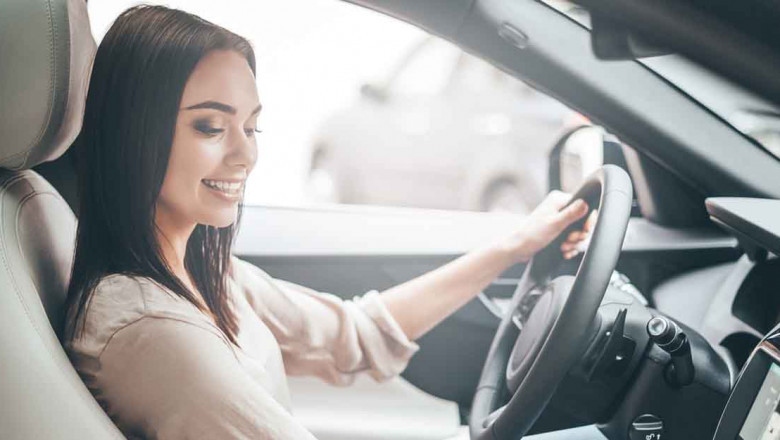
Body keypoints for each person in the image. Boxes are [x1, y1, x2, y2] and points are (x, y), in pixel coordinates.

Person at [64, 5, 591, 439]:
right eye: (210, 126)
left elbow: (356, 335)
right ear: (134, 133)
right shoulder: (150, 330)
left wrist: (513, 247)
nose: (245, 155)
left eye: (252, 127)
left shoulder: (199, 272)